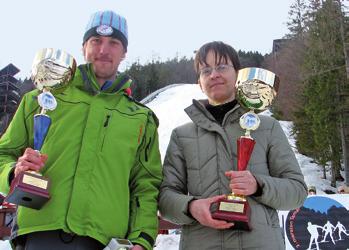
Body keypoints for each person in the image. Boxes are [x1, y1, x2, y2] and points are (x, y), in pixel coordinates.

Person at [0, 10, 162, 250]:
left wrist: (142, 239)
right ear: (84, 46)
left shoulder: (140, 118)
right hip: (40, 233)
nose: (103, 50)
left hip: (104, 240)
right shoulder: (42, 98)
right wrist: (14, 173)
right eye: (96, 41)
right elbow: (3, 154)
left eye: (113, 43)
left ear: (124, 52)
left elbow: (145, 185)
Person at [159, 41, 307, 249]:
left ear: (238, 74)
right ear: (199, 82)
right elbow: (165, 198)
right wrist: (191, 207)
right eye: (206, 70)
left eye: (221, 67)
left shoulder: (267, 127)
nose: (214, 75)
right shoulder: (182, 135)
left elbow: (297, 192)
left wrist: (258, 185)